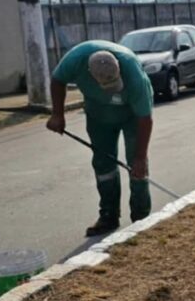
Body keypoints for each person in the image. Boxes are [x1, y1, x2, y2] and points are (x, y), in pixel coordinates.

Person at [45, 40, 155, 237]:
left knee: (137, 165)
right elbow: (57, 79)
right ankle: (108, 216)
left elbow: (145, 118)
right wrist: (57, 114)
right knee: (103, 164)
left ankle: (141, 217)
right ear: (90, 74)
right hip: (99, 115)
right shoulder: (75, 60)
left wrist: (140, 157)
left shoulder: (134, 75)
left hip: (133, 116)